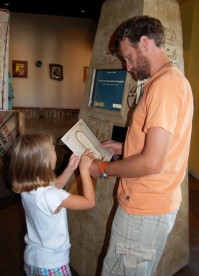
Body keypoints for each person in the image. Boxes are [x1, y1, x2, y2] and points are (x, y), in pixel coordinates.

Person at [90, 15, 193, 276]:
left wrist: (101, 167)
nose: (127, 66)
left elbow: (152, 162)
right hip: (151, 204)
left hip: (144, 208)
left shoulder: (164, 86)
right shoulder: (170, 81)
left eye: (128, 56)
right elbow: (161, 149)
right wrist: (125, 147)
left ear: (145, 44)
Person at [8, 132, 95, 276]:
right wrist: (84, 170)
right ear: (44, 161)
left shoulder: (28, 187)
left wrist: (70, 169)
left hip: (32, 259)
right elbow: (89, 202)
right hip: (52, 265)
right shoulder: (52, 196)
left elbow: (54, 188)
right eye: (52, 149)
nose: (55, 151)